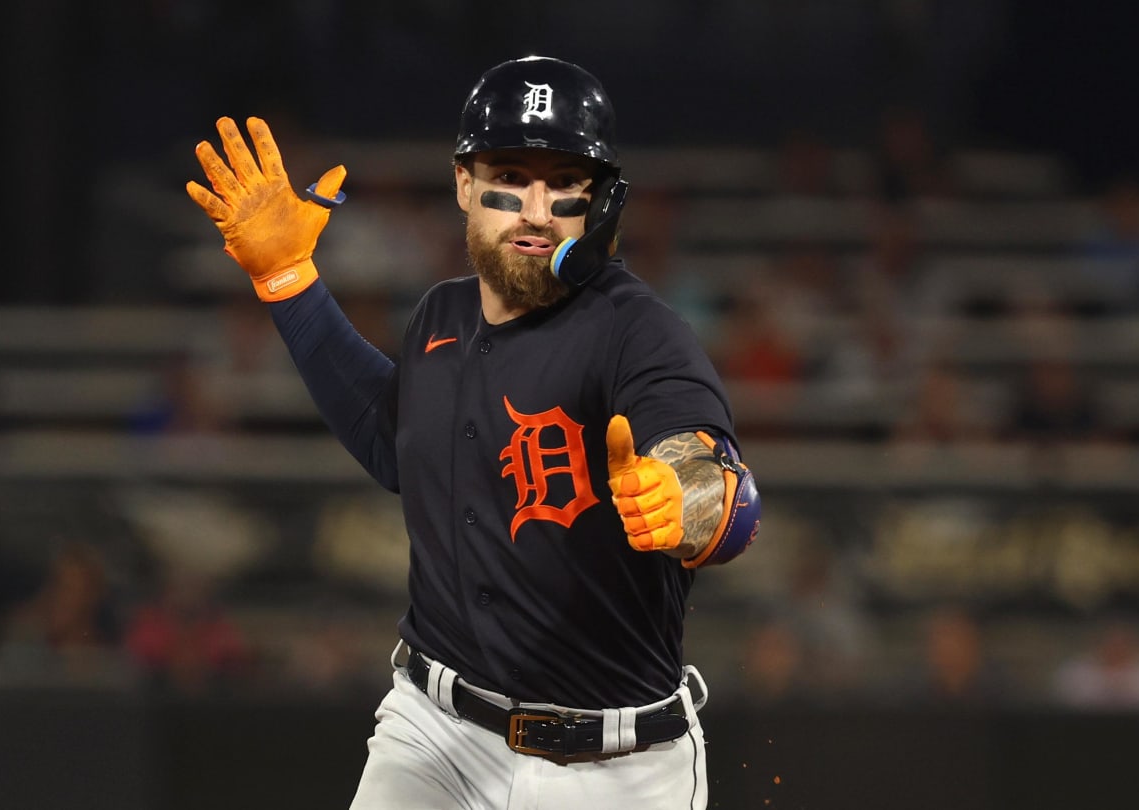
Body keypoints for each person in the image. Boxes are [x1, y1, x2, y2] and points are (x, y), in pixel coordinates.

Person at [187, 55, 762, 810]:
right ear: (463, 182)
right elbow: (398, 444)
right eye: (512, 175)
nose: (536, 207)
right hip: (433, 729)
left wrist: (689, 499)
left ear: (602, 203)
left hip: (611, 764)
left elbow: (717, 479)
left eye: (565, 184)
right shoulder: (441, 318)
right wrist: (291, 285)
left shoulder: (636, 332)